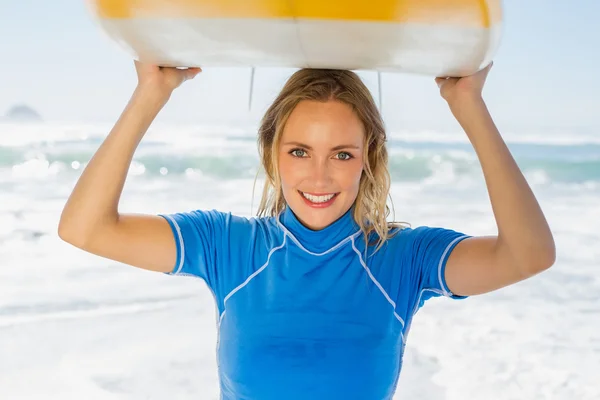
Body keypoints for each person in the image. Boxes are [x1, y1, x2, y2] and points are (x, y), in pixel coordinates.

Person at [58, 61, 556, 399]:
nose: (319, 177)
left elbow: (528, 254)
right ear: (272, 154)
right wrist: (151, 92)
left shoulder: (404, 259)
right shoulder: (227, 246)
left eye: (342, 154)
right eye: (299, 151)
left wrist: (468, 105)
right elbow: (86, 228)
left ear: (369, 159)